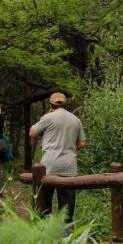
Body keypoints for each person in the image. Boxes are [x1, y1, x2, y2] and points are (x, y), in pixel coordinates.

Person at [30, 92, 86, 227]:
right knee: (67, 202)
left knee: (44, 199)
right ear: (65, 104)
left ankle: (45, 229)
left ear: (51, 104)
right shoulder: (75, 120)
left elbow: (32, 132)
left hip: (49, 164)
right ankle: (66, 232)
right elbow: (83, 143)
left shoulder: (47, 118)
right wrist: (71, 148)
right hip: (69, 164)